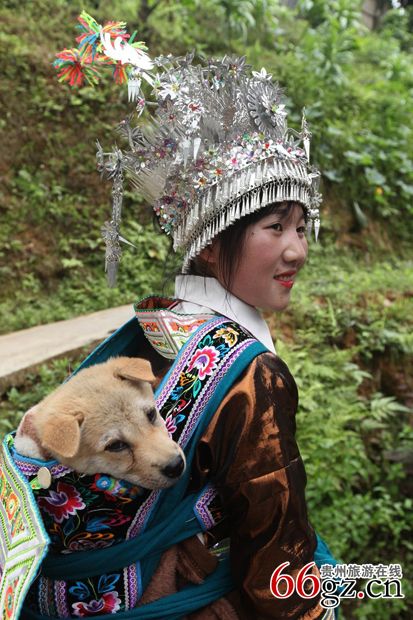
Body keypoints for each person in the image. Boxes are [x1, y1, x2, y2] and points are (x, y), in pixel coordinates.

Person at [0, 12, 338, 620]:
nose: (297, 250)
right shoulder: (251, 374)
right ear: (209, 243)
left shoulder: (154, 326)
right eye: (274, 227)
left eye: (300, 226)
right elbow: (278, 560)